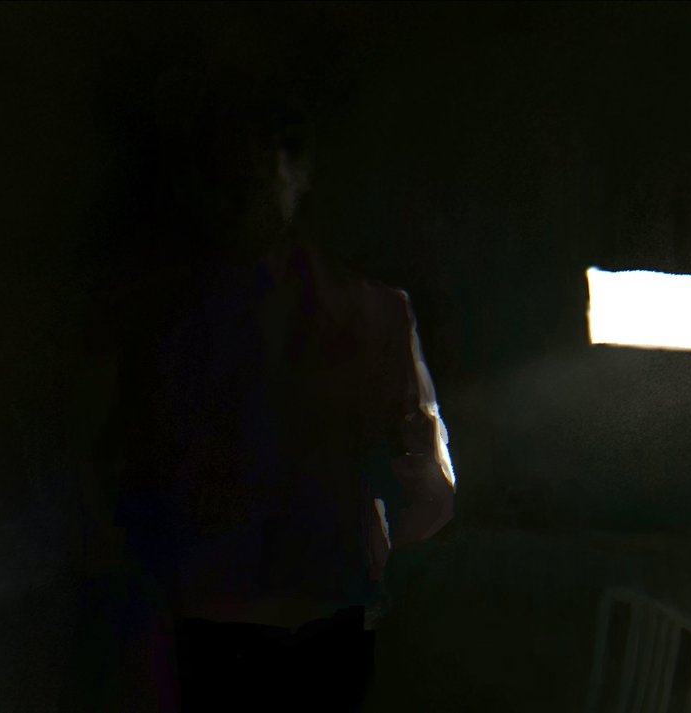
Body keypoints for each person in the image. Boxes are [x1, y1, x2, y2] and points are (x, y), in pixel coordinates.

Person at [75, 75, 456, 712]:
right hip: (258, 624)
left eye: (255, 172)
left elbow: (430, 493)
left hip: (271, 623)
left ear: (296, 174)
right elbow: (430, 496)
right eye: (228, 176)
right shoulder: (171, 322)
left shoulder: (367, 316)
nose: (239, 194)